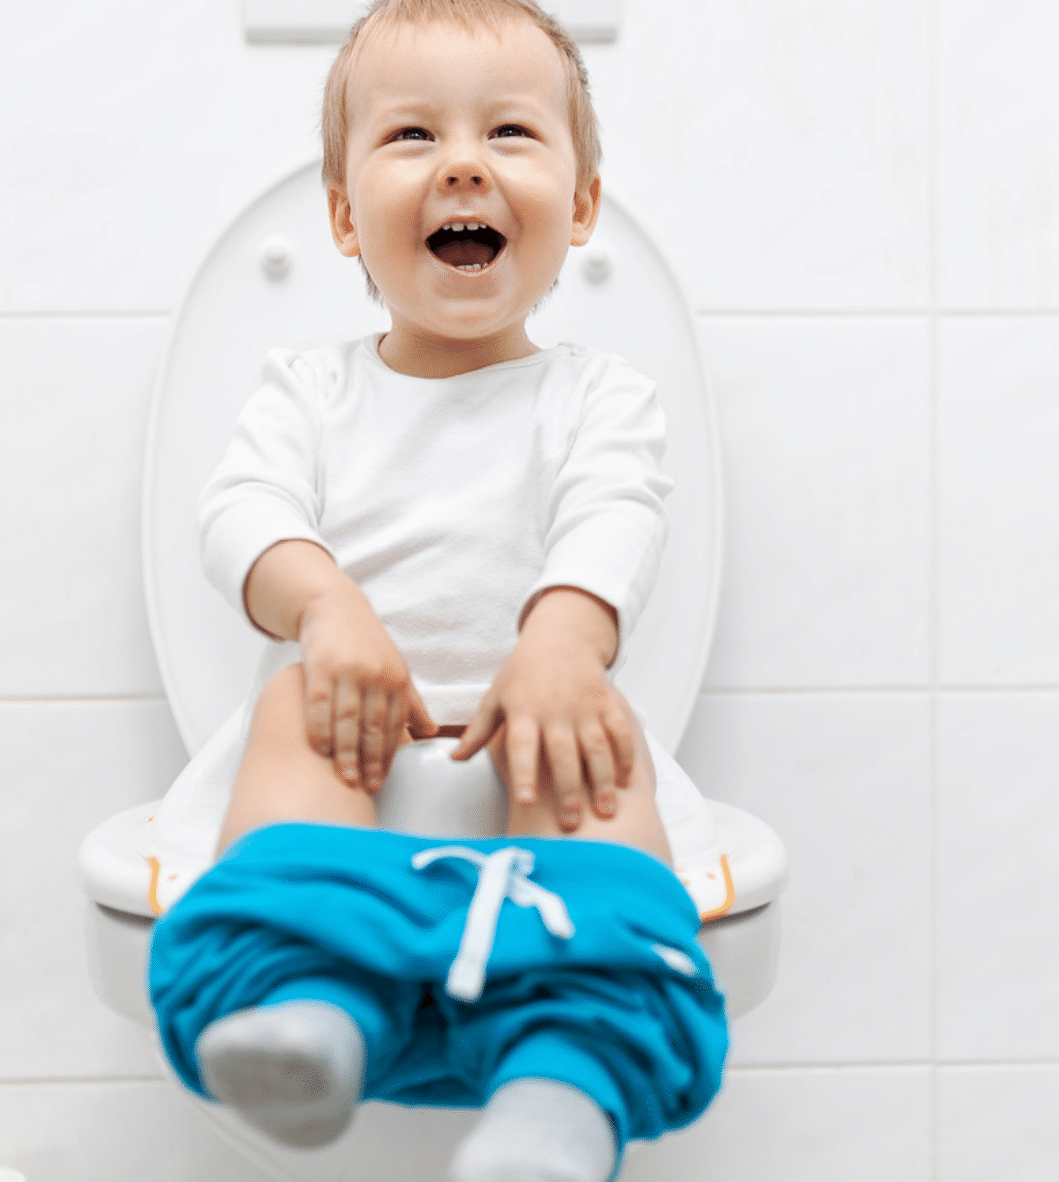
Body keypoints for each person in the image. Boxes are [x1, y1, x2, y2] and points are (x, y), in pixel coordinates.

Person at [146, 3, 728, 1179]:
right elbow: (240, 511)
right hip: (348, 750)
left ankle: (561, 1095)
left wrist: (563, 644)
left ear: (581, 206)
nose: (462, 163)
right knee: (291, 706)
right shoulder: (306, 391)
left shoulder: (600, 397)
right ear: (342, 216)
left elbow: (615, 512)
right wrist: (325, 608)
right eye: (412, 135)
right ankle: (311, 1008)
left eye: (509, 131)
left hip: (536, 744)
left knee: (597, 743)